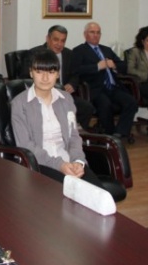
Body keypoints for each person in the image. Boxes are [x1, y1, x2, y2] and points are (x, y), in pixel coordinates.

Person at [11, 49, 104, 188]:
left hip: (69, 161)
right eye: (39, 71)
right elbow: (25, 145)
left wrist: (78, 161)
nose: (45, 78)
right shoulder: (19, 103)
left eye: (51, 72)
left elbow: (74, 137)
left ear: (58, 74)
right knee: (72, 193)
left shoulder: (66, 99)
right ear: (31, 72)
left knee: (99, 194)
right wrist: (59, 165)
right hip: (39, 164)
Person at [71, 22, 138, 138]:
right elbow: (76, 70)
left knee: (131, 102)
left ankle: (119, 132)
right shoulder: (79, 50)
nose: (95, 35)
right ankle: (109, 134)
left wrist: (114, 65)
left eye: (98, 33)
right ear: (85, 34)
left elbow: (123, 66)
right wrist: (97, 67)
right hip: (95, 89)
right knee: (105, 104)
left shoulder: (106, 50)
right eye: (92, 32)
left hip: (113, 87)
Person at [23, 25, 95, 130]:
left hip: (64, 95)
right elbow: (25, 77)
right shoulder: (34, 54)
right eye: (56, 40)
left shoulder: (69, 54)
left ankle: (76, 134)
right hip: (43, 96)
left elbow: (75, 74)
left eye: (63, 41)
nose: (59, 44)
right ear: (48, 39)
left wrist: (72, 84)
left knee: (87, 108)